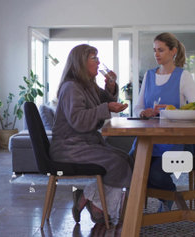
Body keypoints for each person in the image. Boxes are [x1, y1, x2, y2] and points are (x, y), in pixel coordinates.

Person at [49, 44, 133, 225]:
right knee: (117, 162)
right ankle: (98, 207)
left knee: (125, 159)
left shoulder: (87, 86)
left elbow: (106, 101)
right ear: (80, 63)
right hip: (70, 147)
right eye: (94, 58)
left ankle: (89, 198)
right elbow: (79, 120)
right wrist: (106, 108)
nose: (99, 62)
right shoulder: (71, 87)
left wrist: (110, 86)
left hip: (82, 144)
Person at [131, 32, 195, 211]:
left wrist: (172, 110)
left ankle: (169, 194)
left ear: (173, 51)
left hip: (175, 143)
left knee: (155, 173)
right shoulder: (148, 75)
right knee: (131, 168)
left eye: (161, 50)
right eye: (154, 50)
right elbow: (137, 108)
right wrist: (143, 112)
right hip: (147, 140)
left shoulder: (183, 76)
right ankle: (148, 203)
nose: (156, 54)